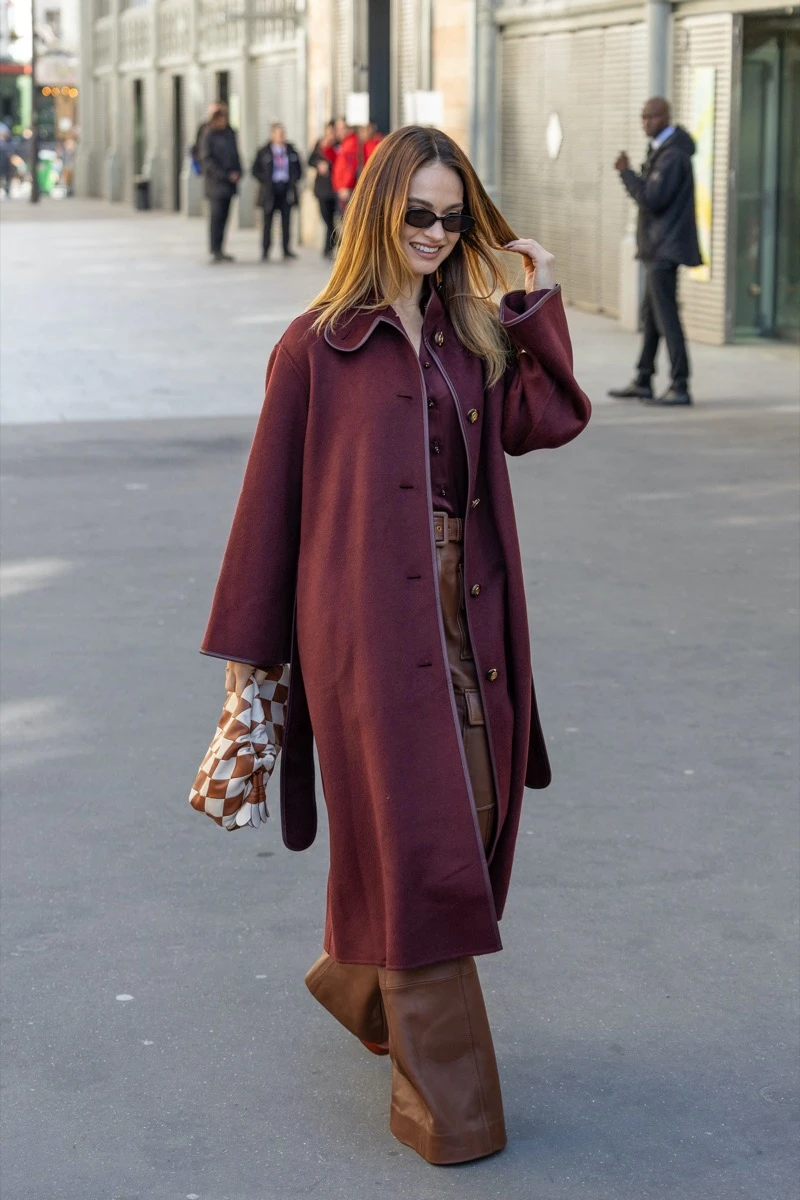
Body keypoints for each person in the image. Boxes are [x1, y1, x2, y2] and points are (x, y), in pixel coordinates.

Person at [199, 125, 591, 1165]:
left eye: (451, 217)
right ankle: (450, 1118)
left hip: (472, 626)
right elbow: (266, 511)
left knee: (471, 816)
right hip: (362, 637)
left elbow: (547, 420)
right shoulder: (314, 347)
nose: (432, 232)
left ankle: (351, 974)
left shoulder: (472, 342)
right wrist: (253, 661)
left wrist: (534, 296)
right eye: (415, 212)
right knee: (423, 848)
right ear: (377, 210)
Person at [609, 96, 702, 406]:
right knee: (652, 315)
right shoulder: (663, 151)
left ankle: (680, 384)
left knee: (666, 316)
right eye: (643, 117)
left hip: (665, 249)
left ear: (665, 118)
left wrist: (626, 173)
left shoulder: (673, 156)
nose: (645, 122)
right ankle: (644, 378)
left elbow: (652, 198)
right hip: (657, 247)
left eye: (651, 117)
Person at [252, 122, 304, 261]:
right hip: (270, 190)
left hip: (286, 189)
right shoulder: (264, 151)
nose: (281, 136)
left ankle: (286, 249)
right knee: (267, 221)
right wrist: (266, 180)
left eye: (283, 133)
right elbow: (255, 170)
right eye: (278, 133)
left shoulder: (291, 151)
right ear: (272, 135)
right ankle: (265, 249)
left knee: (286, 221)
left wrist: (293, 180)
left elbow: (299, 169)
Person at [199, 104, 241, 264]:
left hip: (229, 184)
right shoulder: (208, 135)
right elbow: (207, 160)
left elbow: (236, 155)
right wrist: (223, 175)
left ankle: (221, 248)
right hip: (215, 185)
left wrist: (238, 171)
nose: (223, 122)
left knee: (225, 217)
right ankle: (214, 248)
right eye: (220, 119)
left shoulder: (230, 134)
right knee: (216, 217)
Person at [332, 120, 383, 212]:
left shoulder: (353, 143)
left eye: (341, 129)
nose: (338, 132)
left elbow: (350, 167)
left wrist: (346, 185)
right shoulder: (348, 143)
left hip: (353, 188)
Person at [308, 121, 338, 258]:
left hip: (334, 188)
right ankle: (336, 240)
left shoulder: (338, 146)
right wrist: (319, 164)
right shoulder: (320, 144)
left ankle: (328, 248)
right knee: (326, 218)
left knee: (332, 219)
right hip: (321, 188)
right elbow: (310, 160)